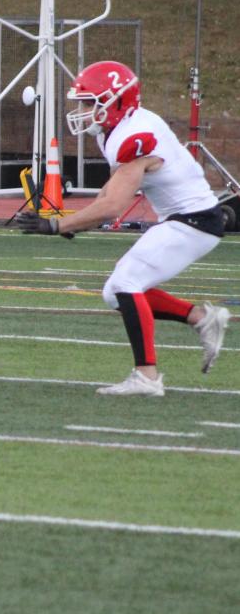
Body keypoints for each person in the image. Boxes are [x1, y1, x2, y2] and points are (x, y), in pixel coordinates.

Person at [14, 61, 229, 396]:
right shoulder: (121, 127)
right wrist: (78, 222)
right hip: (185, 219)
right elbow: (112, 191)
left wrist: (57, 225)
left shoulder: (134, 136)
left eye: (90, 103)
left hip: (194, 221)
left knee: (127, 282)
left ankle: (147, 377)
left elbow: (113, 206)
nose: (83, 111)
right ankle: (201, 318)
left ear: (116, 101)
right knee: (115, 292)